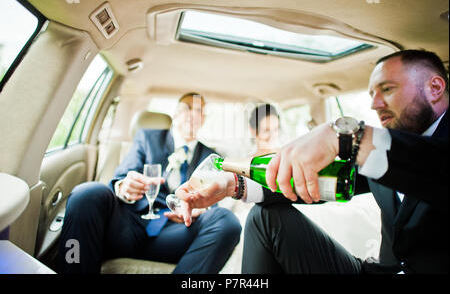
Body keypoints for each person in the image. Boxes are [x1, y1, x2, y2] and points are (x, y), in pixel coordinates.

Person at [176, 50, 449, 274]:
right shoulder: (381, 151)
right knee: (265, 218)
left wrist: (344, 136)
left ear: (435, 88)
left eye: (387, 89)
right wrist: (232, 186)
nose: (375, 104)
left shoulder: (392, 147)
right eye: (371, 95)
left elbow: (432, 163)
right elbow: (316, 178)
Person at [57, 92, 242, 274]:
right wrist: (124, 187)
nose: (193, 115)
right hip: (129, 223)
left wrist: (199, 210)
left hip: (176, 233)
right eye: (187, 108)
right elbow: (123, 175)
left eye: (199, 111)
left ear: (203, 120)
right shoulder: (147, 138)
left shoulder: (210, 156)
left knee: (227, 221)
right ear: (176, 114)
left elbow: (212, 199)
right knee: (86, 194)